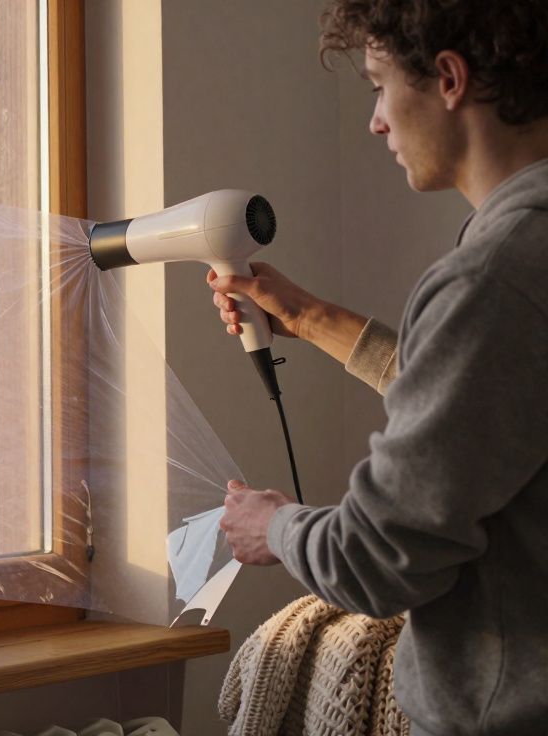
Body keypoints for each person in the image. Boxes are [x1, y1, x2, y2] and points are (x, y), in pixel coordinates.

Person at [212, 2, 548, 734]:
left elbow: (374, 559)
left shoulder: (491, 279)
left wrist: (272, 526)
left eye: (377, 86)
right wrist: (304, 317)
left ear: (450, 80)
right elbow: (492, 412)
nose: (375, 121)